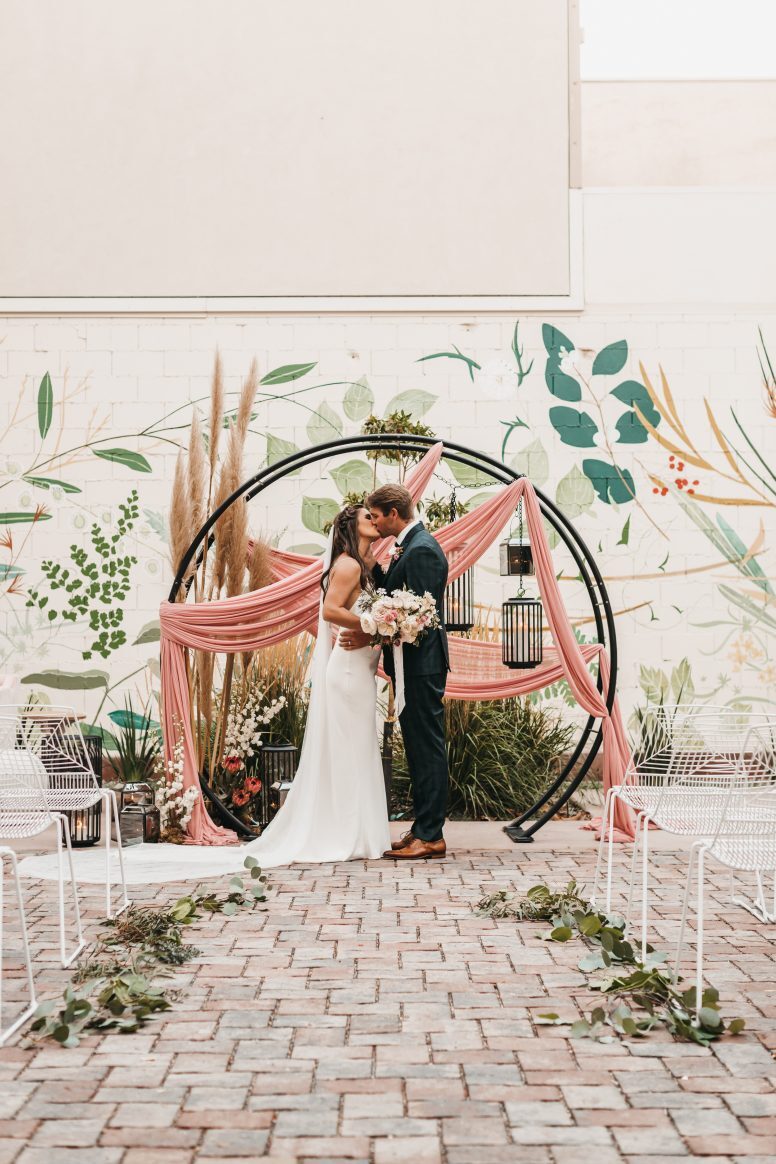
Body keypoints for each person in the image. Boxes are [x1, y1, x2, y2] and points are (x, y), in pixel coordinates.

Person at [243, 504, 390, 866]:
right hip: (348, 673)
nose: (374, 521)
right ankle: (346, 835)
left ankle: (360, 832)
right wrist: (372, 624)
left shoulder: (363, 563)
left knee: (358, 751)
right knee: (350, 753)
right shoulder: (349, 564)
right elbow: (330, 611)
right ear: (350, 526)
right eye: (367, 518)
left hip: (359, 670)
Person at [340, 484, 450, 860]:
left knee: (427, 747)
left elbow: (416, 618)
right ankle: (422, 829)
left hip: (421, 666)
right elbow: (394, 600)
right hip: (410, 666)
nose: (373, 521)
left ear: (392, 513)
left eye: (375, 515)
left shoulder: (422, 551)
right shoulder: (410, 547)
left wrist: (368, 630)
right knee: (418, 748)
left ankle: (431, 834)